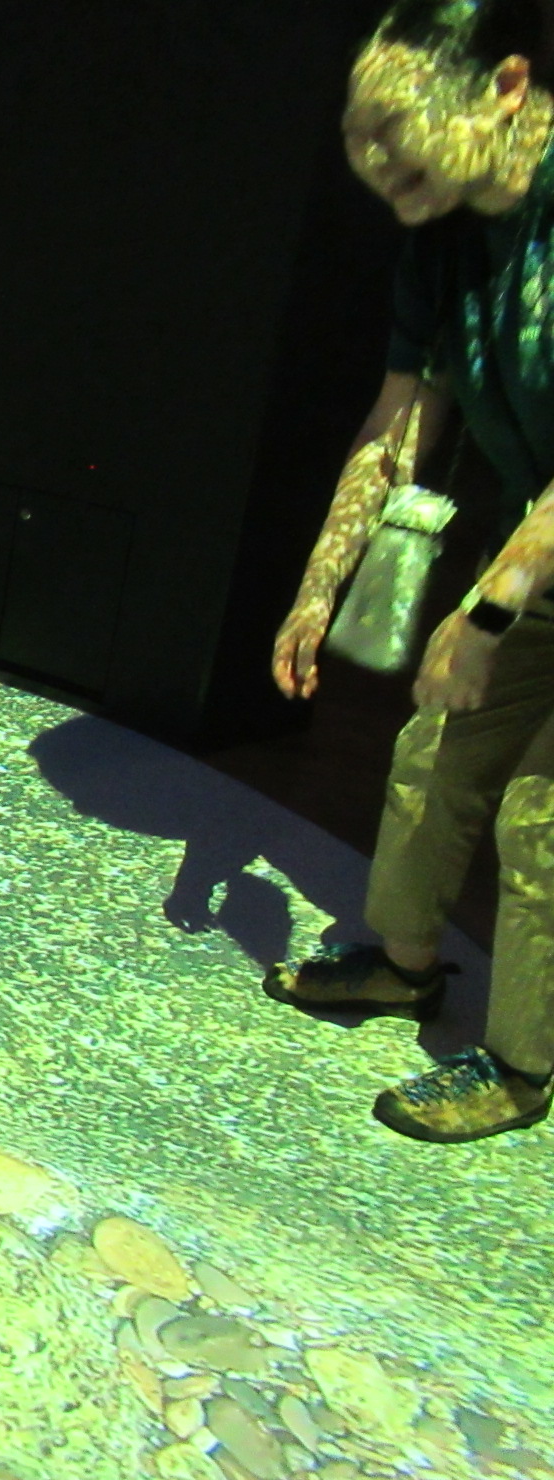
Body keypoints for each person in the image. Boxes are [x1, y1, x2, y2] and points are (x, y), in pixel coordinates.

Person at [267, 0, 554, 1142]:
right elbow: (400, 419)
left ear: (506, 87)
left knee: (540, 816)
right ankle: (403, 963)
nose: (379, 163)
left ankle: (522, 1066)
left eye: (399, 131)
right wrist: (318, 582)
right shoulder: (444, 236)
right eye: (364, 140)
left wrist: (488, 610)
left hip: (530, 568)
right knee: (433, 755)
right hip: (535, 558)